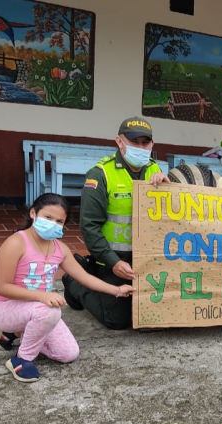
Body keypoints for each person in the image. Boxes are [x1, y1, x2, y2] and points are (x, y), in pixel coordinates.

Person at [0, 194, 134, 383]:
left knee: (68, 353)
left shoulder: (60, 249)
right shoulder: (16, 243)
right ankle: (22, 359)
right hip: (3, 307)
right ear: (33, 213)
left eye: (59, 221)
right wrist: (42, 296)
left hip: (36, 309)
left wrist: (117, 290)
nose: (53, 224)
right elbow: (1, 287)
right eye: (48, 218)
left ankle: (14, 333)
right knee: (50, 311)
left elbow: (85, 277)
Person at [62, 116, 169, 330]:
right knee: (117, 321)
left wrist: (169, 189)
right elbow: (89, 226)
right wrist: (114, 262)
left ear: (152, 145)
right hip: (113, 260)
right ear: (119, 142)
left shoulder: (155, 170)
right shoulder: (101, 174)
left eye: (145, 143)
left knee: (155, 315)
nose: (140, 147)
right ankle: (75, 283)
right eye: (134, 142)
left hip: (144, 260)